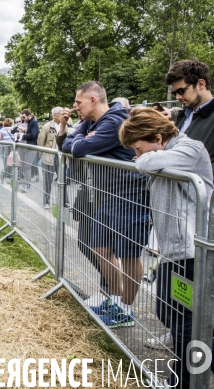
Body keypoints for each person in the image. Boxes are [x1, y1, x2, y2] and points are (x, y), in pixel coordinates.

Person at [119, 107, 214, 389]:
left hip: (193, 250)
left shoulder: (190, 149)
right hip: (173, 249)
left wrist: (144, 158)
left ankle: (185, 381)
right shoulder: (167, 151)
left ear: (159, 138)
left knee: (186, 322)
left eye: (138, 148)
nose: (136, 155)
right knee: (167, 312)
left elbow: (145, 164)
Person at [62, 81, 149, 328]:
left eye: (78, 102)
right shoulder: (91, 121)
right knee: (99, 248)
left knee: (129, 254)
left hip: (130, 194)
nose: (75, 106)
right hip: (108, 193)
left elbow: (78, 148)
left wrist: (80, 139)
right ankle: (115, 298)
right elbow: (70, 145)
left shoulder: (113, 121)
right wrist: (80, 136)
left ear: (92, 100)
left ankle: (125, 309)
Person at [164, 60, 214, 172]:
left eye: (181, 91)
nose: (177, 97)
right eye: (174, 93)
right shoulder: (182, 116)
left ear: (201, 84)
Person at [37, 107, 70, 208]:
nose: (63, 116)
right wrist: (42, 156)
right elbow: (40, 142)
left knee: (62, 180)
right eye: (61, 114)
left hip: (61, 157)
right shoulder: (47, 127)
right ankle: (46, 202)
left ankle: (65, 201)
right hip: (49, 157)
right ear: (55, 115)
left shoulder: (65, 126)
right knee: (47, 181)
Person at [18, 109, 39, 192]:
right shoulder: (28, 123)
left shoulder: (34, 122)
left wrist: (22, 136)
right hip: (26, 146)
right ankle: (26, 184)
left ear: (29, 115)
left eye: (24, 117)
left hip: (31, 147)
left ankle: (26, 185)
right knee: (25, 166)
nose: (23, 118)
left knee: (27, 166)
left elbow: (33, 134)